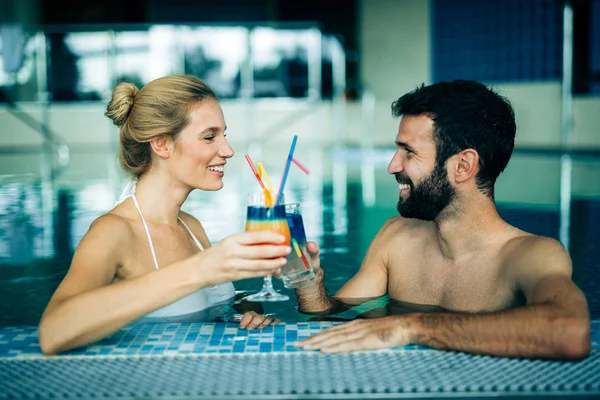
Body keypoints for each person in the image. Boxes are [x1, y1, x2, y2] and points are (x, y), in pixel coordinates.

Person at [294, 80, 591, 360]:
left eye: (408, 152)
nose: (392, 166)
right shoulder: (396, 237)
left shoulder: (530, 255)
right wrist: (310, 285)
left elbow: (570, 333)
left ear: (463, 165)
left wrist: (412, 327)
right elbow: (330, 317)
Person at [38, 75, 292, 355]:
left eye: (224, 135)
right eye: (209, 137)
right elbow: (52, 332)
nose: (227, 150)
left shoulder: (190, 226)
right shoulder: (112, 232)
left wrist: (247, 312)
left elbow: (220, 299)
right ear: (161, 145)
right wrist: (201, 269)